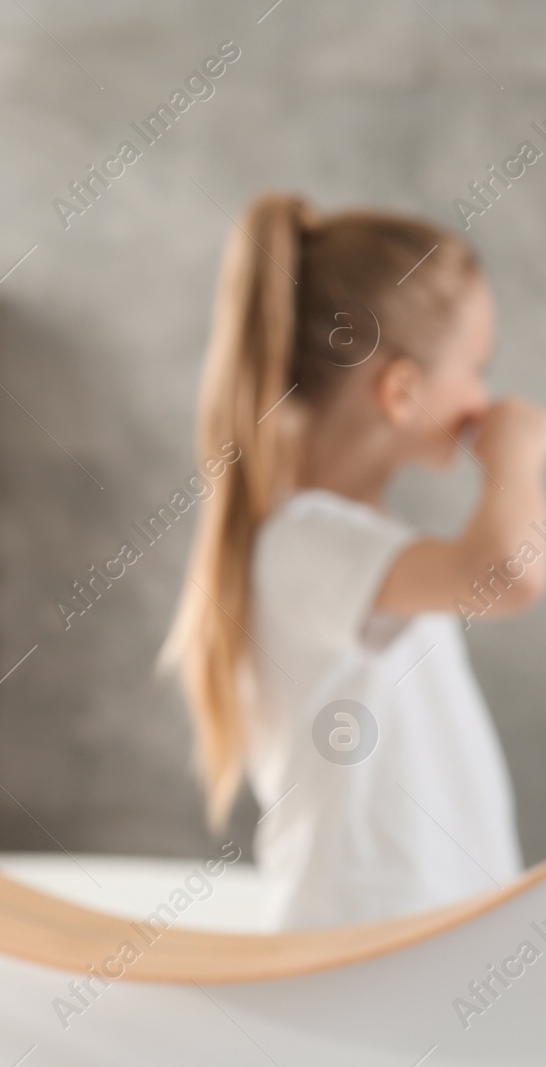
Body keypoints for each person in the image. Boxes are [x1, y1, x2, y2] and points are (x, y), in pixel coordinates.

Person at [161, 193, 546, 930]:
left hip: (413, 936)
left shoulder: (353, 540)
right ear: (400, 390)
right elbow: (508, 573)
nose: (483, 398)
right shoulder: (304, 539)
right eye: (477, 367)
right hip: (366, 935)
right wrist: (515, 461)